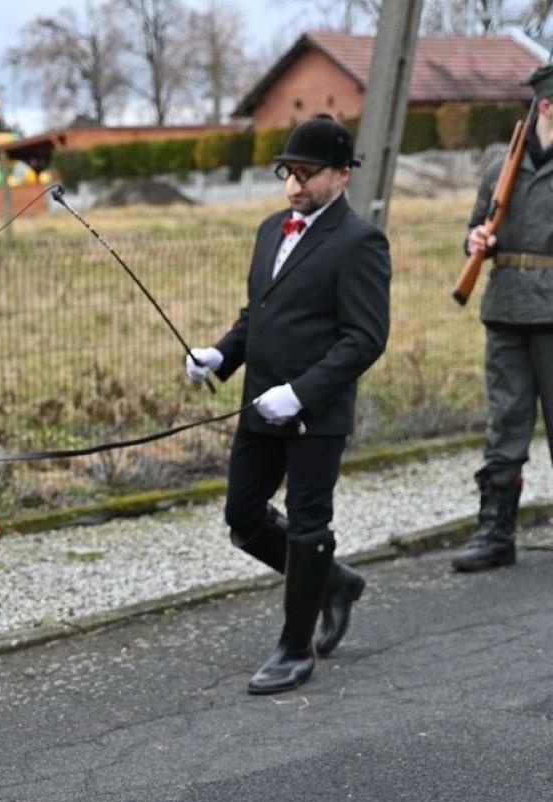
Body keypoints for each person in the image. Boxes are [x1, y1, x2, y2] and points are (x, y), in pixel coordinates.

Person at [187, 114, 391, 694]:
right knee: (244, 519)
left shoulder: (360, 242)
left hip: (315, 413)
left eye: (307, 173)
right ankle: (335, 583)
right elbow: (260, 314)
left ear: (342, 175)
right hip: (259, 405)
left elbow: (365, 338)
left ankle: (295, 648)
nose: (294, 185)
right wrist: (222, 357)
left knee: (307, 525)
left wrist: (301, 393)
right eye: (288, 172)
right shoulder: (273, 228)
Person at [453, 63, 553, 573]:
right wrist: (475, 241)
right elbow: (479, 225)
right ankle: (496, 533)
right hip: (507, 311)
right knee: (505, 422)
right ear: (545, 106)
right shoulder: (502, 168)